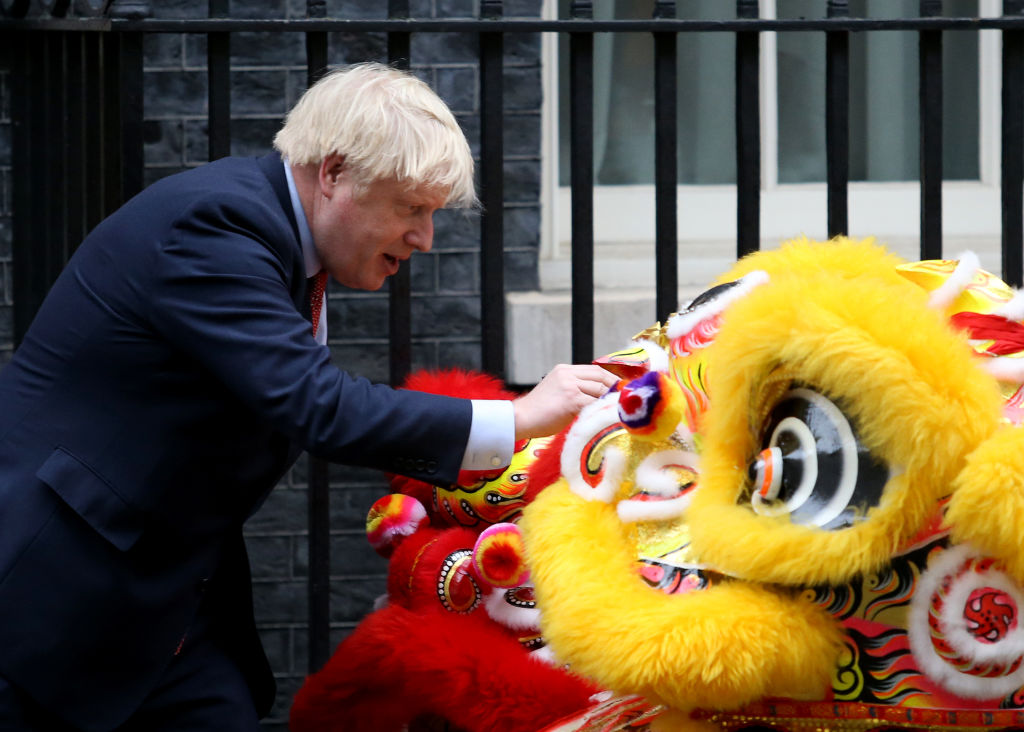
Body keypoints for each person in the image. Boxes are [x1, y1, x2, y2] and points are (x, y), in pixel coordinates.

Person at [0, 62, 618, 731]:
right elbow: (316, 404)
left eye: (431, 214)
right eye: (410, 209)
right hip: (53, 601)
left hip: (165, 604)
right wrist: (520, 416)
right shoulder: (215, 227)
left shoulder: (272, 237)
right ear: (333, 172)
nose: (424, 238)